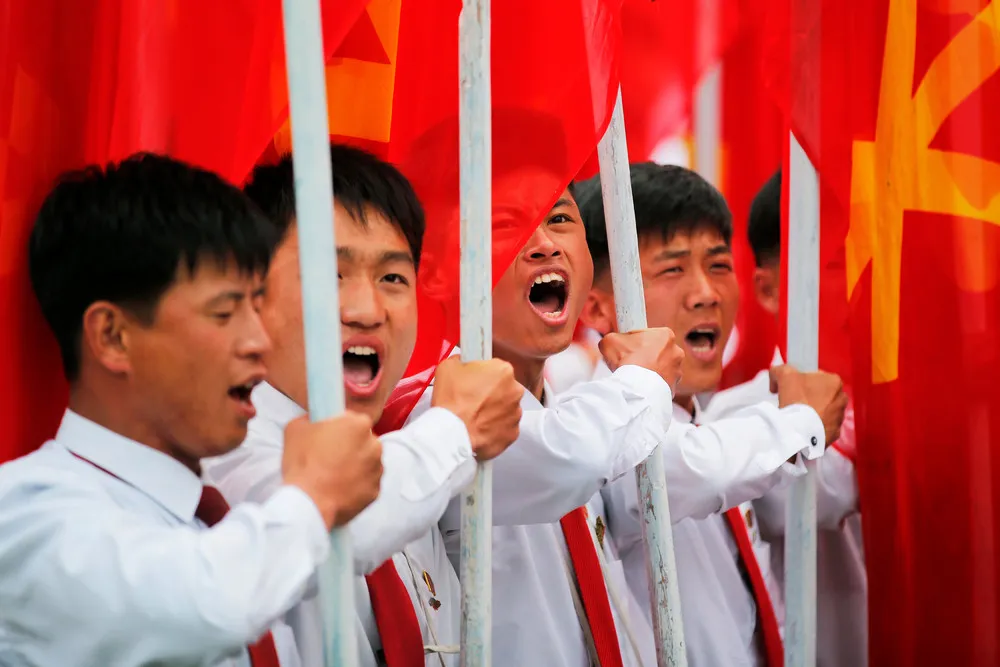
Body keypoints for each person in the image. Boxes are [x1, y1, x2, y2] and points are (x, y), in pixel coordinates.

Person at [0, 154, 383, 667]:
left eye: (257, 305)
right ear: (112, 337)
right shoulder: (27, 515)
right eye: (224, 313)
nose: (259, 340)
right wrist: (316, 493)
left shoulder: (218, 526)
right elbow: (204, 604)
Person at [203, 144, 525, 667]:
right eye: (332, 275)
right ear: (249, 295)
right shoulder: (229, 454)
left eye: (393, 278)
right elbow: (332, 530)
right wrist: (455, 431)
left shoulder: (404, 457)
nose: (366, 310)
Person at [576, 163, 849, 666]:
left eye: (719, 265)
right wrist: (801, 421)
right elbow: (680, 471)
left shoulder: (711, 428)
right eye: (672, 269)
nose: (706, 292)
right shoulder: (598, 427)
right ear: (597, 308)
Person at [701, 169, 867, 667]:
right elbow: (819, 493)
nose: (864, 283)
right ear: (768, 288)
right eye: (839, 264)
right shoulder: (733, 418)